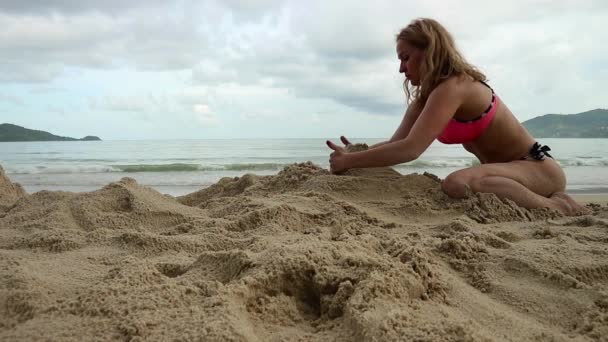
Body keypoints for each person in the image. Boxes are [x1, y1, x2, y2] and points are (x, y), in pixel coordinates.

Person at [326, 18, 589, 216]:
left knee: (456, 182)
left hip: (536, 170)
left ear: (428, 50)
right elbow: (397, 143)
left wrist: (350, 160)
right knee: (462, 181)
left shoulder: (456, 87)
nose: (401, 69)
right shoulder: (425, 99)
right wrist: (354, 155)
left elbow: (410, 150)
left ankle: (558, 206)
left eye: (405, 58)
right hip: (505, 178)